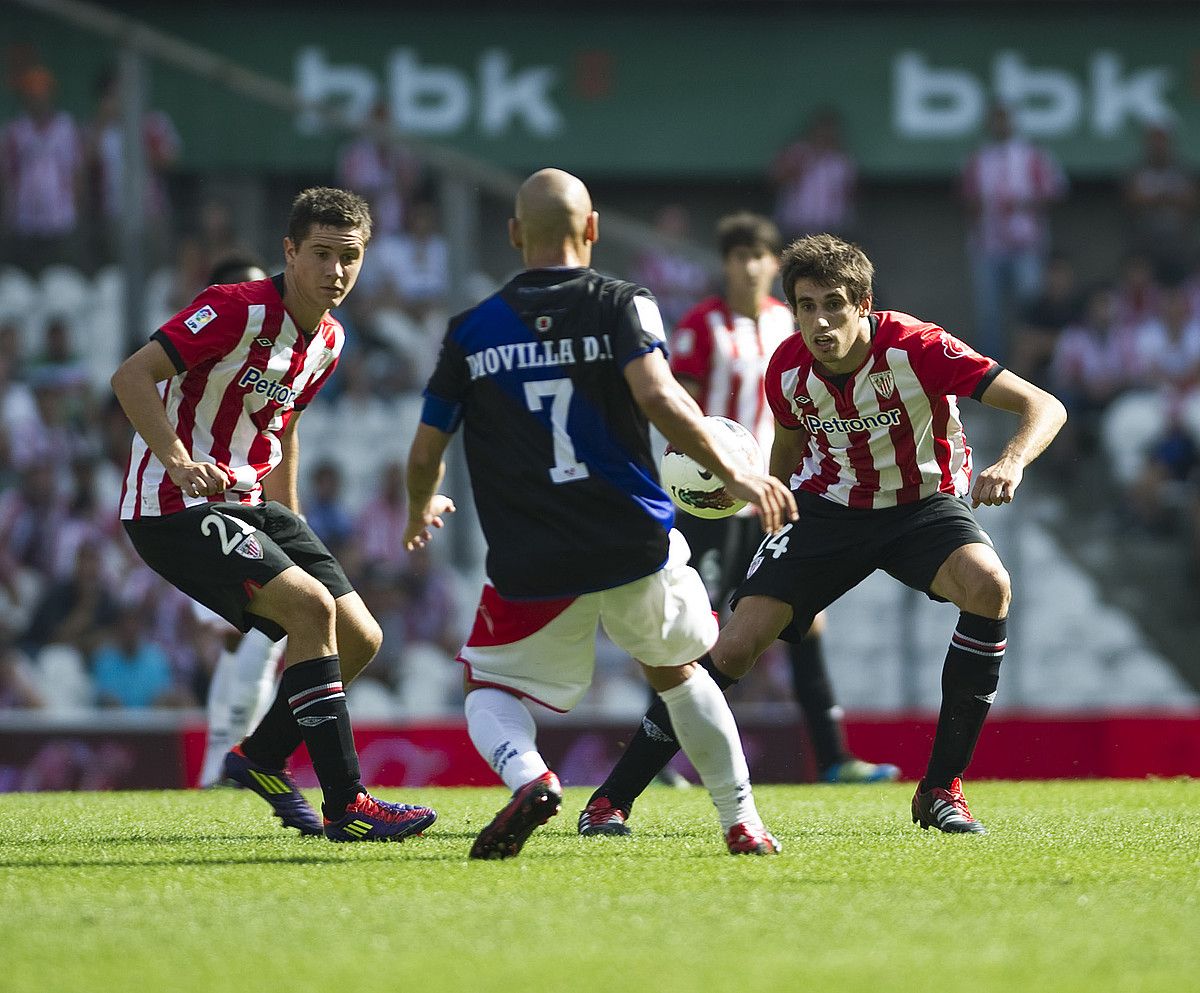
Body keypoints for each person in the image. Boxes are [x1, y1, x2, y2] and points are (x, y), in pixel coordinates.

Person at [587, 233, 1066, 835]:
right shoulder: (787, 368)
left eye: (833, 304)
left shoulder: (919, 348)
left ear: (862, 304)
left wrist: (1012, 462)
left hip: (922, 506)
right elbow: (787, 442)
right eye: (806, 306)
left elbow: (1045, 405)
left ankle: (941, 790)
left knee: (990, 587)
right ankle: (611, 799)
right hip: (828, 510)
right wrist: (770, 504)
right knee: (734, 648)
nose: (820, 321)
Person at [403, 168, 797, 858]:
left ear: (515, 233)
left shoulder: (469, 330)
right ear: (591, 229)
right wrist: (735, 469)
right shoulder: (624, 302)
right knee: (679, 673)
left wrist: (418, 505)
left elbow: (426, 446)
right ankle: (743, 822)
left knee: (487, 687)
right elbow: (661, 398)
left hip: (532, 553)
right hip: (630, 538)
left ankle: (529, 777)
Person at [111, 187, 436, 841]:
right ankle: (349, 803)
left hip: (255, 503)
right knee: (310, 610)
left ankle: (257, 755)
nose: (335, 271)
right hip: (175, 502)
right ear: (289, 252)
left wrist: (292, 517)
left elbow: (282, 425)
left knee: (362, 637)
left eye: (350, 257)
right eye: (320, 254)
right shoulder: (233, 308)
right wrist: (177, 459)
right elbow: (131, 376)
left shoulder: (331, 340)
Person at [582, 212, 897, 838]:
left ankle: (833, 757)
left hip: (777, 492)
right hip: (712, 502)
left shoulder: (793, 322)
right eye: (738, 256)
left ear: (772, 263)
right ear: (725, 264)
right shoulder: (702, 326)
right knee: (700, 628)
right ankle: (659, 760)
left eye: (759, 256)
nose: (749, 267)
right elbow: (682, 406)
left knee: (806, 623)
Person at [961, 104, 1067, 364]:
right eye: (995, 119)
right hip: (988, 244)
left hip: (1026, 243)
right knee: (989, 312)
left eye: (1004, 119)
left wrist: (1022, 204)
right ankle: (989, 372)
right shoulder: (979, 157)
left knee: (1030, 305)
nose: (1000, 125)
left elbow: (1056, 191)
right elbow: (965, 197)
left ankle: (1027, 369)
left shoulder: (1032, 155)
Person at [769, 108, 859, 244]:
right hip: (795, 225)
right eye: (822, 130)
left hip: (829, 227)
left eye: (829, 131)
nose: (825, 135)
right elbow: (775, 179)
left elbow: (850, 194)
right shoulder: (798, 152)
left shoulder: (841, 161)